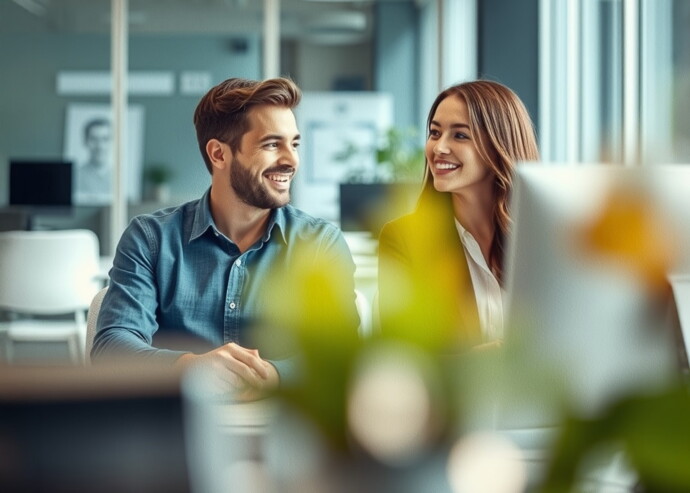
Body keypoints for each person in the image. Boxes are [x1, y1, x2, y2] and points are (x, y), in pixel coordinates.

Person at [92, 77, 360, 401]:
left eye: (295, 144)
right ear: (219, 154)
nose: (291, 160)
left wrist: (274, 376)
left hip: (283, 432)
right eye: (272, 144)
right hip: (177, 431)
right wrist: (190, 368)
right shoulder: (150, 239)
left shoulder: (319, 244)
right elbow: (111, 346)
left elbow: (342, 353)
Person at [377, 80, 540, 352]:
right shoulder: (405, 239)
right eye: (434, 133)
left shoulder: (541, 239)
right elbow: (406, 355)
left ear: (499, 145)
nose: (438, 148)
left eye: (460, 135)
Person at [74, 117, 112, 205]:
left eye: (105, 139)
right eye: (94, 139)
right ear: (85, 141)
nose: (100, 146)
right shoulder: (76, 174)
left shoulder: (120, 177)